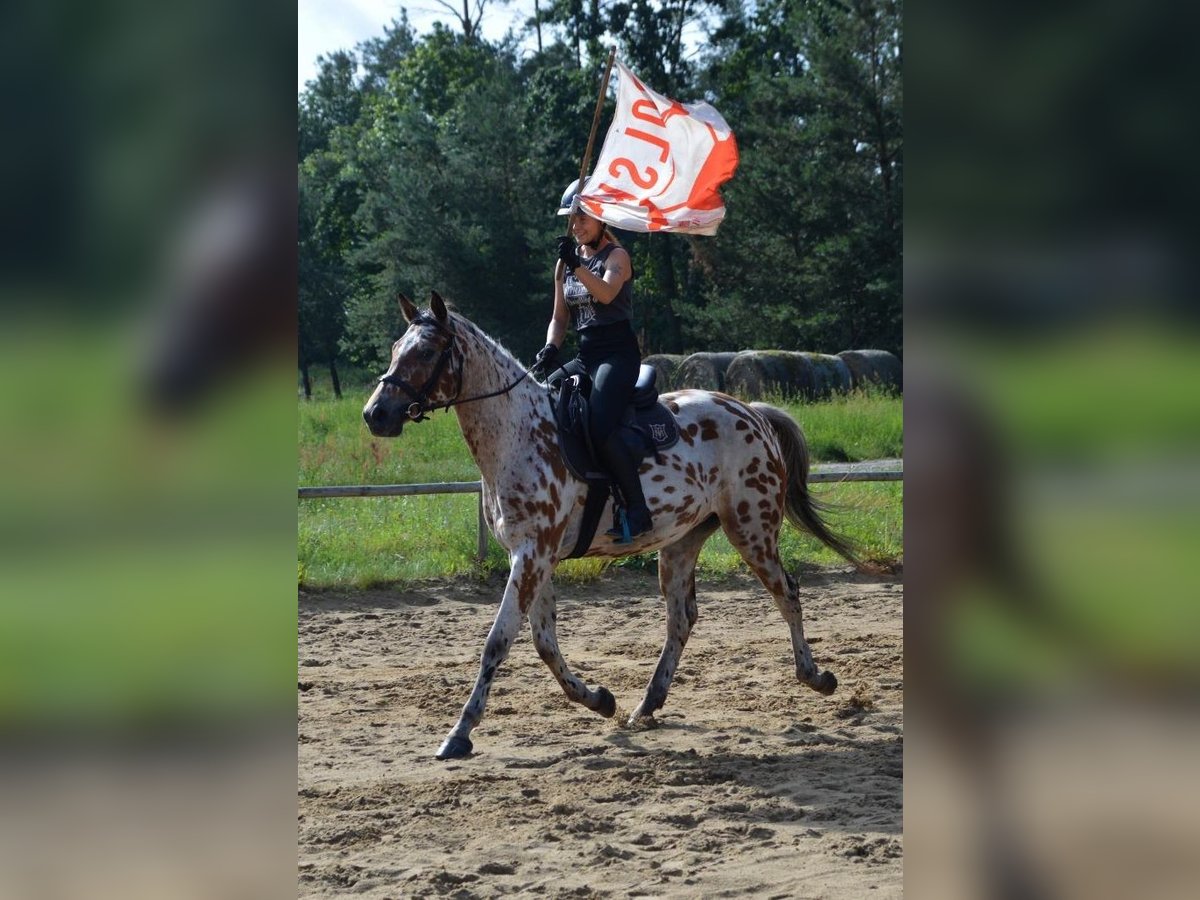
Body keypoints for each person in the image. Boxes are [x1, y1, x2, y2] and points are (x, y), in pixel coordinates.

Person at [530, 178, 653, 541]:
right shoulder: (564, 264)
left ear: (601, 218)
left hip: (618, 355)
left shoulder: (617, 257)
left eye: (583, 217)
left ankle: (637, 508)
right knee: (542, 404)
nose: (577, 224)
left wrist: (576, 264)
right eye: (572, 218)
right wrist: (551, 347)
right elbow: (559, 317)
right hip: (586, 354)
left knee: (599, 424)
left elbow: (604, 293)